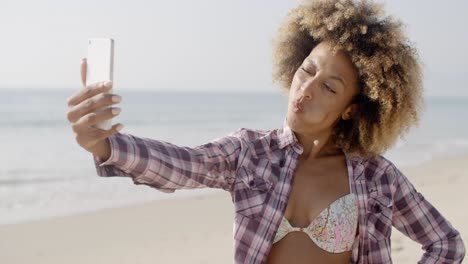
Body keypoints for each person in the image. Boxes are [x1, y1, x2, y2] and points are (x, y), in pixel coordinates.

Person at [66, 0, 465, 263]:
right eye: (306, 70)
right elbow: (183, 165)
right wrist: (105, 144)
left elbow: (445, 244)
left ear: (351, 109)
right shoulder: (249, 154)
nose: (306, 88)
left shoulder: (377, 177)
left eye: (329, 86)